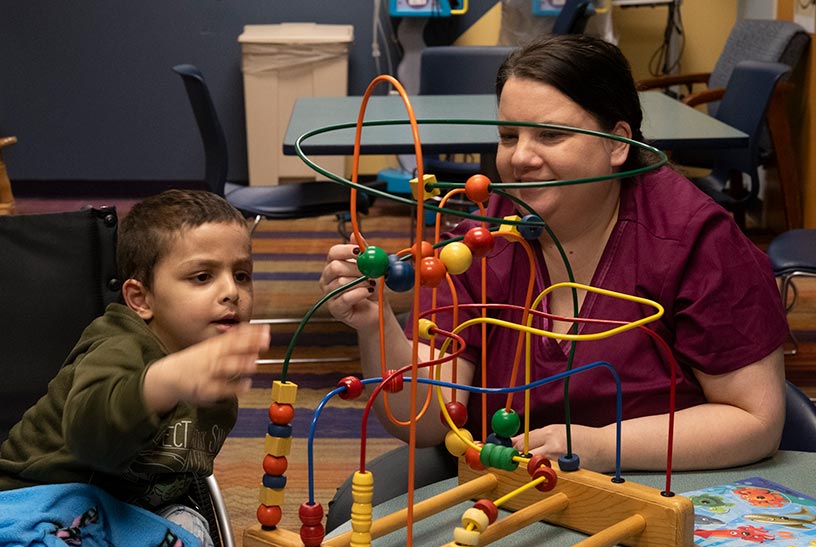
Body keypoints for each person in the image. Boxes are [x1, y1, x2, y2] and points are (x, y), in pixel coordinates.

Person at [320, 34, 788, 474]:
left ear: (616, 142)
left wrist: (604, 447)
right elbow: (423, 422)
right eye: (508, 137)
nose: (520, 158)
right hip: (506, 487)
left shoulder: (697, 240)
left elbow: (754, 420)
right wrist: (376, 324)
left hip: (656, 487)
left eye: (550, 135)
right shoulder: (480, 241)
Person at [0, 189, 270, 547]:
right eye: (202, 277)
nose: (231, 292)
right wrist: (167, 380)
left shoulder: (213, 376)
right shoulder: (118, 344)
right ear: (141, 299)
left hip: (115, 517)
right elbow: (91, 434)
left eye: (242, 275)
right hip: (19, 508)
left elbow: (178, 472)